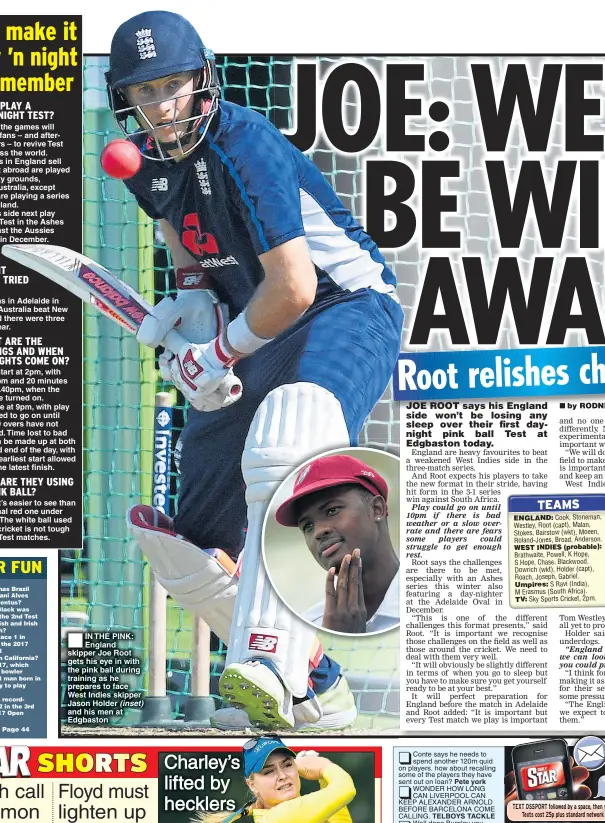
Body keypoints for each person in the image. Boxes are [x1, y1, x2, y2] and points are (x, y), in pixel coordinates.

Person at [110, 11, 403, 731]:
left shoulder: (250, 146)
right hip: (256, 324)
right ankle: (314, 683)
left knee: (287, 432)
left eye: (175, 85)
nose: (163, 108)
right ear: (128, 99)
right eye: (146, 93)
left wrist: (220, 350)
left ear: (204, 78)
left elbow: (297, 287)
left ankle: (267, 662)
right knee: (186, 545)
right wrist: (191, 300)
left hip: (346, 307)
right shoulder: (141, 160)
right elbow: (177, 223)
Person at [274, 454, 399, 634]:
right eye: (307, 526)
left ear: (376, 509)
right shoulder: (303, 628)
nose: (318, 532)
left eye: (332, 510)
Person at [195, 736, 355, 823]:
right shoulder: (277, 818)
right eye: (268, 772)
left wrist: (322, 777)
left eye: (287, 765)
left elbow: (339, 813)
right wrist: (323, 766)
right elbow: (345, 789)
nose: (282, 776)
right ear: (252, 785)